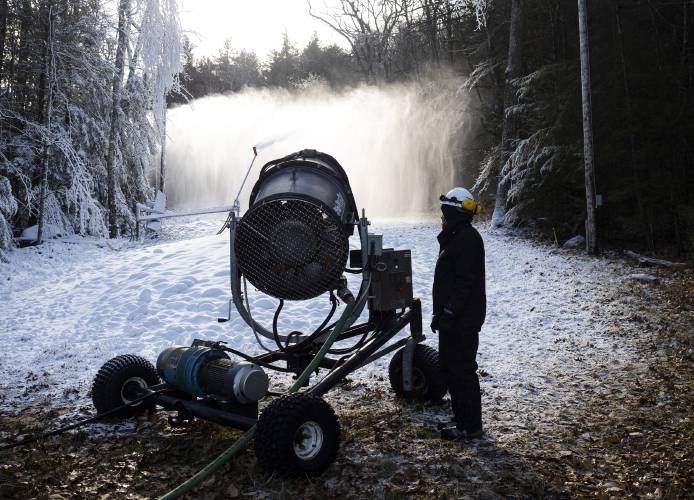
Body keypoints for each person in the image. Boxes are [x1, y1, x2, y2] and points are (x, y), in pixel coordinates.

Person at [431, 187, 486, 440]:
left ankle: (470, 426)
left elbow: (465, 283)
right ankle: (461, 416)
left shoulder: (467, 240)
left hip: (463, 319)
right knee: (449, 368)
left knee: (462, 370)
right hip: (452, 318)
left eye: (444, 214)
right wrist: (439, 313)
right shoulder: (456, 236)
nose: (441, 219)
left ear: (454, 214)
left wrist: (450, 312)